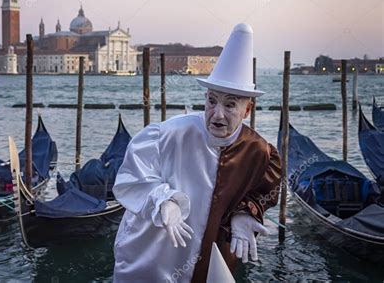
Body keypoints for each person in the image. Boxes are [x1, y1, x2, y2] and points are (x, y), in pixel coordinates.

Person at [112, 23, 282, 283]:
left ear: (247, 111)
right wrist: (164, 201)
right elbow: (130, 180)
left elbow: (261, 192)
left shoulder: (260, 152)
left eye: (230, 105)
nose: (217, 114)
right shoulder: (167, 134)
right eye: (212, 101)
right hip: (153, 256)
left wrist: (244, 214)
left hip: (212, 263)